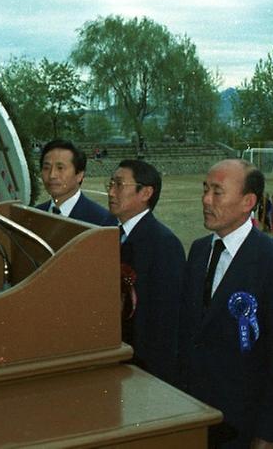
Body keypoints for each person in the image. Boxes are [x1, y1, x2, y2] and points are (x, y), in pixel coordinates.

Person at [178, 159, 273, 448]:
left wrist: (270, 434)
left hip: (240, 425)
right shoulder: (199, 251)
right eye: (205, 189)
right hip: (193, 414)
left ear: (248, 201)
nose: (206, 200)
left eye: (217, 192)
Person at [106, 159, 184, 386]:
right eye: (110, 184)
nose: (111, 192)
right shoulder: (108, 234)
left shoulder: (164, 245)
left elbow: (165, 324)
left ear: (146, 192)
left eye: (119, 185)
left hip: (143, 372)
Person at [35, 139, 117, 226]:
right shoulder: (34, 215)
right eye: (46, 168)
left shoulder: (103, 221)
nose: (52, 175)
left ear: (79, 175)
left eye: (60, 168)